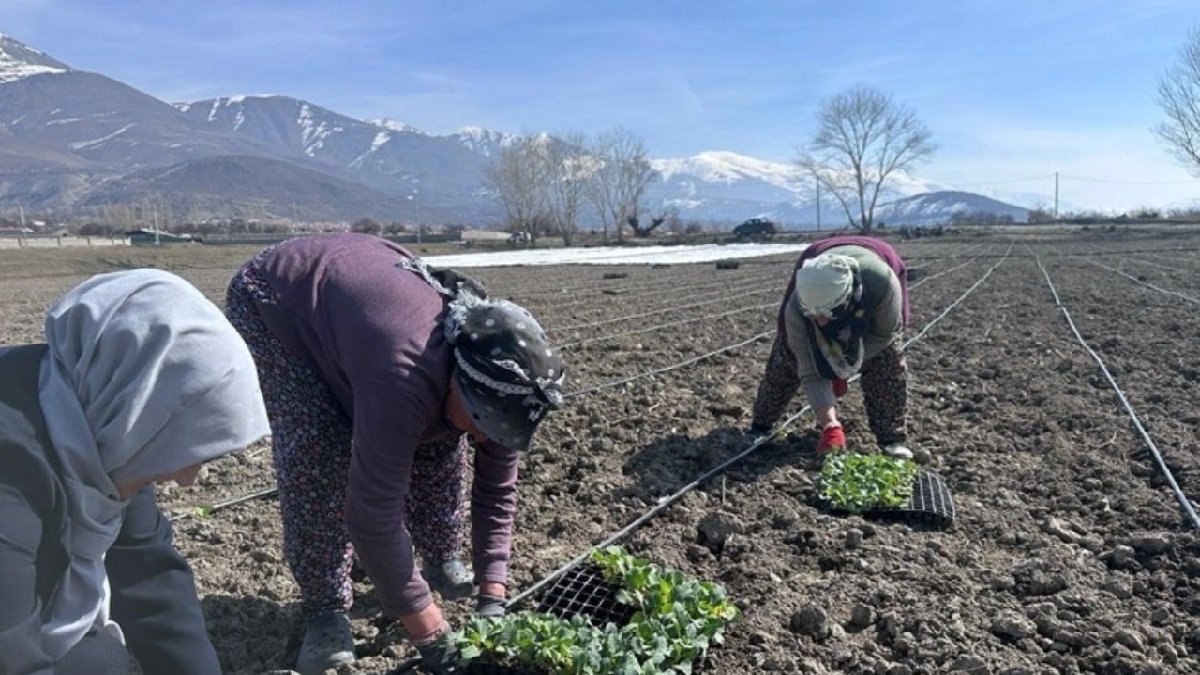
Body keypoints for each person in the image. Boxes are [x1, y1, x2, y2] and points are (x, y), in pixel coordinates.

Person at [224, 233, 565, 675]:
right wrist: (431, 633)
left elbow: (497, 493)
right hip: (277, 301)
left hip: (366, 303)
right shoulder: (403, 377)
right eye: (483, 422)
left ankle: (441, 557)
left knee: (440, 439)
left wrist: (493, 598)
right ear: (458, 380)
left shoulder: (505, 382)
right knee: (319, 457)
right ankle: (325, 607)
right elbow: (371, 518)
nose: (487, 438)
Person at [0, 269, 271, 675]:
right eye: (182, 446)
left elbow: (152, 583)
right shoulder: (11, 470)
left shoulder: (107, 429)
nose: (186, 478)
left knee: (98, 660)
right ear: (141, 412)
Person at [749, 235, 913, 459]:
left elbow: (884, 333)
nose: (820, 321)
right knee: (787, 355)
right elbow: (809, 371)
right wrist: (830, 424)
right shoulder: (796, 309)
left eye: (827, 313)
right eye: (813, 314)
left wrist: (846, 362)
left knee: (888, 359)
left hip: (877, 269)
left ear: (846, 299)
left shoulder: (882, 284)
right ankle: (761, 425)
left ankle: (891, 439)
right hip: (817, 256)